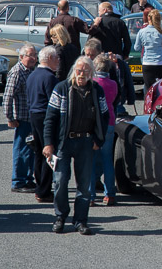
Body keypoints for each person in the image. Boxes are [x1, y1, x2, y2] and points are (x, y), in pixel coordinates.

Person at [43, 57, 110, 236]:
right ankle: (60, 216)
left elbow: (105, 116)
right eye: (79, 70)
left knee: (84, 186)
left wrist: (99, 140)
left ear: (92, 74)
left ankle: (81, 221)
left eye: (86, 71)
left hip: (86, 143)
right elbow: (50, 118)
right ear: (74, 70)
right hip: (63, 143)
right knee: (60, 182)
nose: (82, 74)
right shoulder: (61, 88)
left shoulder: (97, 90)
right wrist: (48, 143)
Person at [26, 46, 59, 203]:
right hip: (46, 117)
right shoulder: (50, 77)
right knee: (49, 152)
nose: (58, 61)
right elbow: (54, 103)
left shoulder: (32, 75)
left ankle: (40, 187)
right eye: (57, 58)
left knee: (38, 153)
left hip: (34, 115)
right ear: (50, 59)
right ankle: (44, 191)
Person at [3, 43, 37, 193]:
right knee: (22, 150)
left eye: (35, 55)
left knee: (31, 151)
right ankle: (18, 181)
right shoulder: (17, 72)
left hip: (32, 118)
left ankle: (28, 179)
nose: (34, 58)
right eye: (31, 55)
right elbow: (7, 97)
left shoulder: (32, 70)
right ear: (21, 57)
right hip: (21, 118)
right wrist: (9, 118)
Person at [90, 55, 118, 207]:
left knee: (91, 159)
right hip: (110, 121)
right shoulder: (113, 83)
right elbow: (114, 100)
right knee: (107, 159)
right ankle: (110, 194)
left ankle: (91, 195)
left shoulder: (92, 82)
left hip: (94, 123)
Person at [134, 9, 162, 96]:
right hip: (160, 61)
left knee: (148, 86)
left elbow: (136, 48)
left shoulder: (142, 32)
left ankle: (148, 105)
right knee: (161, 86)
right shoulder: (161, 32)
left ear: (148, 18)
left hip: (147, 62)